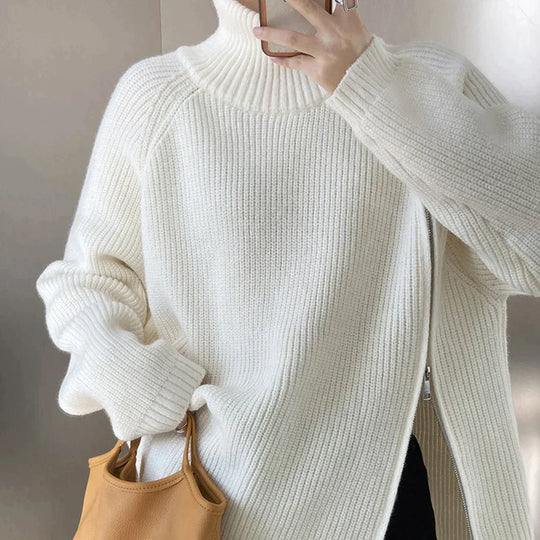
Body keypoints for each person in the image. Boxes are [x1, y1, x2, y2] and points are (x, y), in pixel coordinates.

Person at [35, 0, 539, 537]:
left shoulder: (429, 82)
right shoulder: (159, 97)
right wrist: (142, 386)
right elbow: (89, 281)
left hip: (385, 499)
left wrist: (372, 87)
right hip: (209, 496)